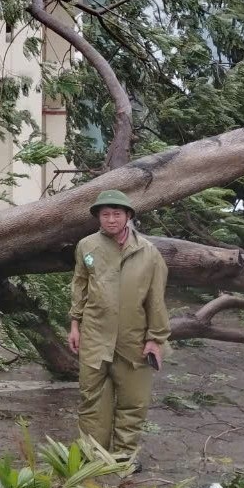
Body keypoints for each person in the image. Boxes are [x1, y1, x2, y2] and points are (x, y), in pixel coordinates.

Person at [68, 190, 170, 472]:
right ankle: (94, 458)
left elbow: (156, 300)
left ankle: (124, 458)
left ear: (128, 216)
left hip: (133, 339)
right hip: (94, 335)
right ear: (98, 217)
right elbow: (80, 285)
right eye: (105, 214)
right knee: (92, 401)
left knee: (132, 402)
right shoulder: (87, 246)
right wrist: (75, 324)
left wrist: (155, 340)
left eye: (116, 214)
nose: (111, 219)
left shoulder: (148, 253)